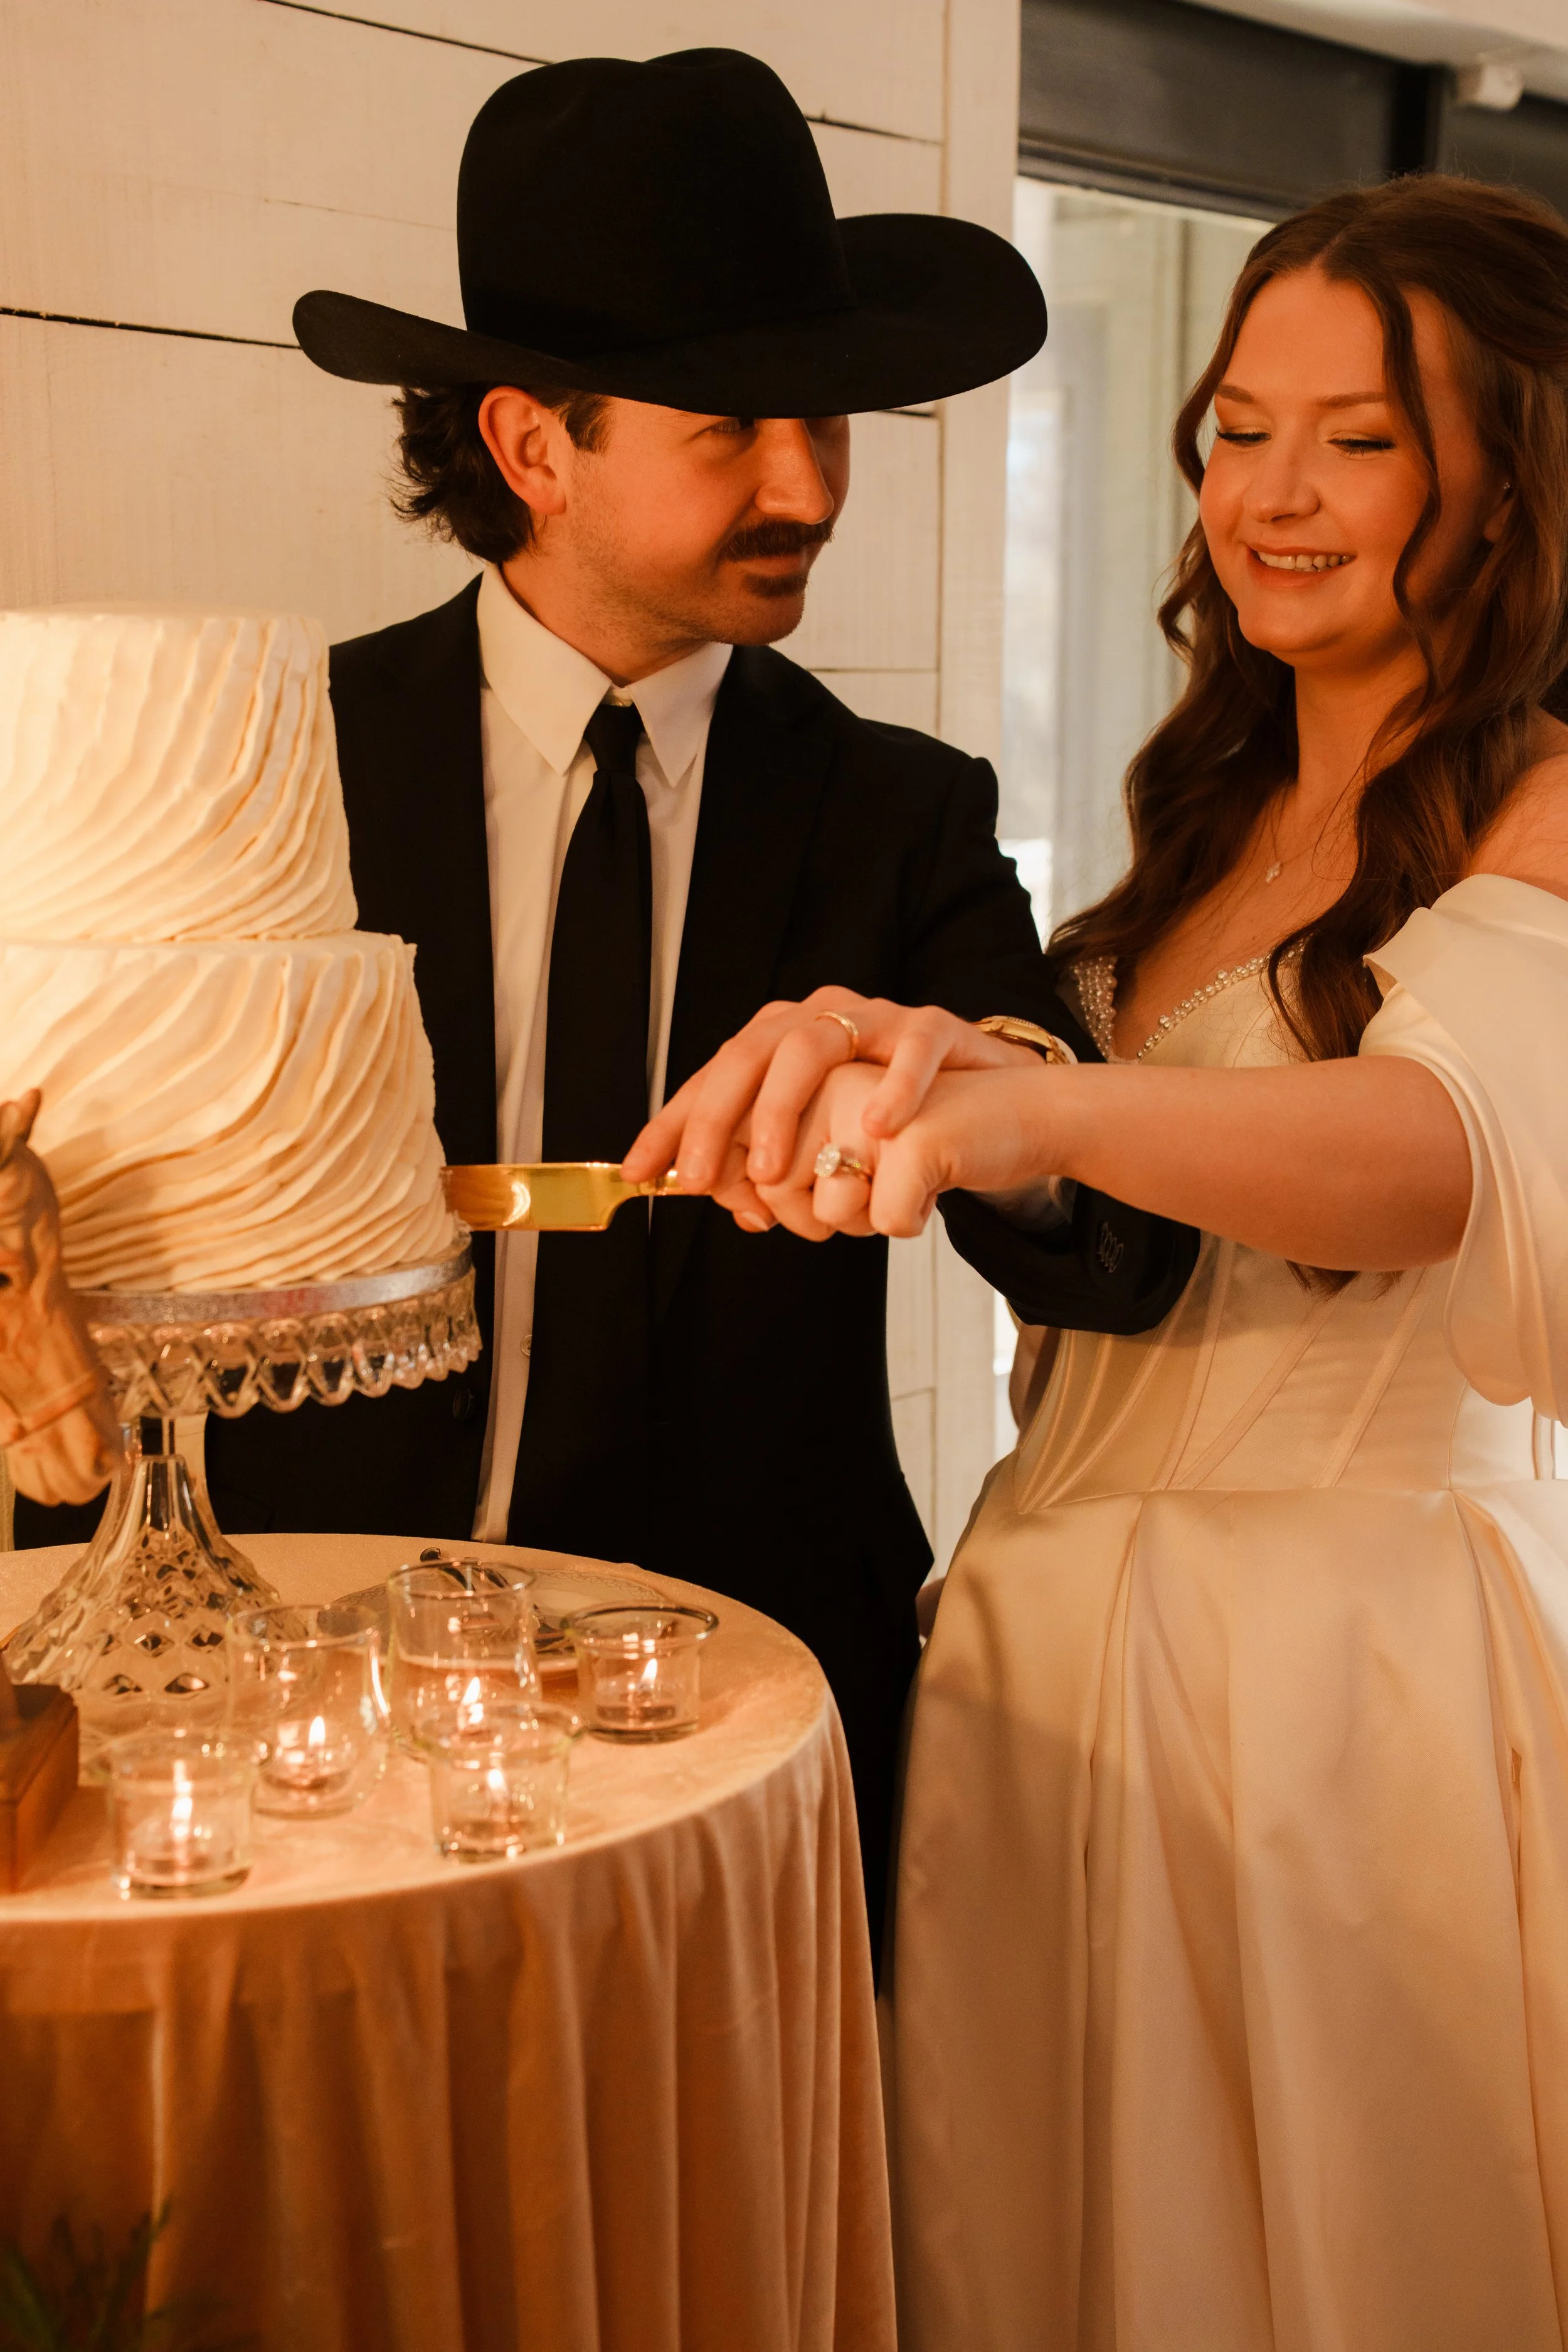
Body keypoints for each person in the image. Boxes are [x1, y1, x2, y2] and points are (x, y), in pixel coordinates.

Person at [12, 50, 1197, 1944]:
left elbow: (1106, 1238)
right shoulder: (274, 767)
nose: (807, 481)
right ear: (532, 444)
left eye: (828, 420)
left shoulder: (897, 812)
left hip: (735, 1716)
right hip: (290, 1702)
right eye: (731, 426)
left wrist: (1000, 1108)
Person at [631, 174, 1568, 2345]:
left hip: (1342, 1695)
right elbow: (1119, 1234)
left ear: (1507, 476)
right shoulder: (1203, 815)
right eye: (1237, 427)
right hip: (1054, 1667)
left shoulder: (1541, 791)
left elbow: (1435, 1157)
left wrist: (1035, 1097)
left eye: (1360, 435)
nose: (1273, 492)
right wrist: (937, 1077)